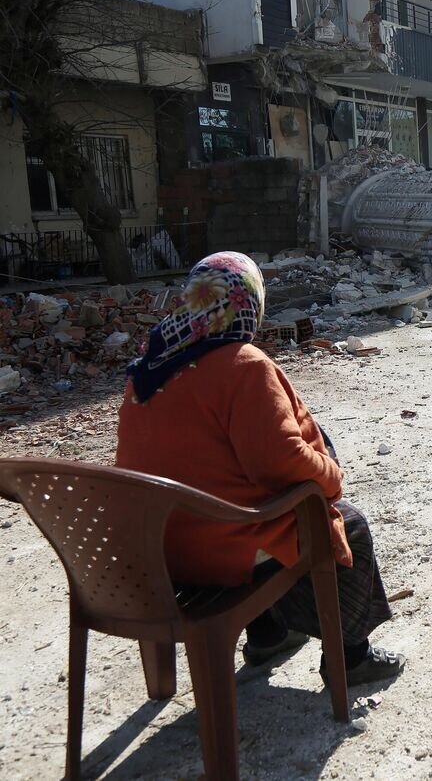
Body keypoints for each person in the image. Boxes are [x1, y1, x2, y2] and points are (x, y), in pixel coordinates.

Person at [116, 251, 403, 686]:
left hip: (161, 549)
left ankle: (269, 635)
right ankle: (352, 657)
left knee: (238, 494)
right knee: (347, 524)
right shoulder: (242, 365)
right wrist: (331, 475)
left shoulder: (149, 369)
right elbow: (279, 464)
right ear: (249, 305)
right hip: (219, 549)